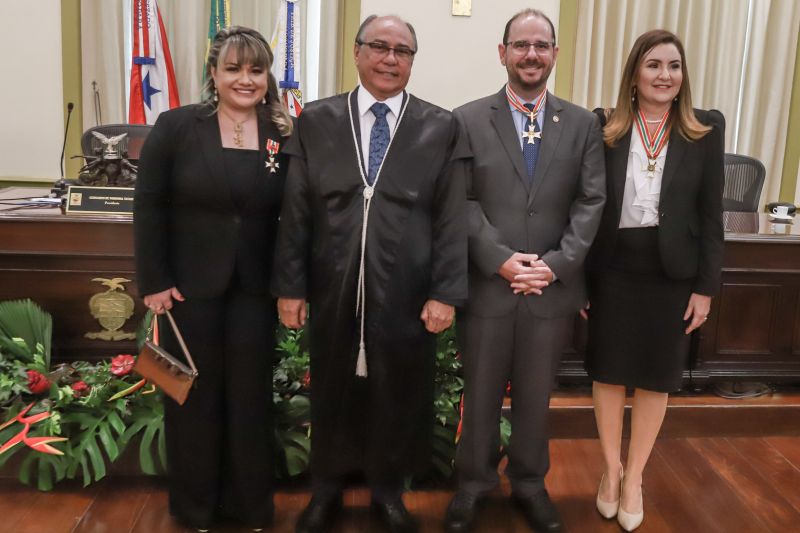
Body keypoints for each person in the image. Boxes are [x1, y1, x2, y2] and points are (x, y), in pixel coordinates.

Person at [272, 14, 468, 533]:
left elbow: (452, 217)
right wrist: (289, 286)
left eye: (402, 51)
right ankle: (326, 490)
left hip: (407, 286)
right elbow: (295, 210)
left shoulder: (438, 126)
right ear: (357, 53)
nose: (390, 59)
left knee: (397, 389)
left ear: (411, 62)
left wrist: (445, 291)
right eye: (379, 47)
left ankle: (387, 491)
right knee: (332, 386)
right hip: (331, 282)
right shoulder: (317, 120)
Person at [444, 9, 606, 533]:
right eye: (521, 45)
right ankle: (473, 485)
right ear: (503, 52)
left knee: (537, 396)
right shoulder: (466, 119)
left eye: (541, 45)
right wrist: (501, 258)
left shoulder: (583, 124)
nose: (531, 54)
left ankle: (531, 484)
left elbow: (591, 202)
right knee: (482, 390)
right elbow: (460, 201)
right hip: (490, 283)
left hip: (551, 290)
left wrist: (555, 267)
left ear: (555, 54)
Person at [134, 26, 293, 531]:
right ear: (213, 73)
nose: (245, 79)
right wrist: (154, 280)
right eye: (233, 68)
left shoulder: (284, 132)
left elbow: (295, 215)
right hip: (187, 289)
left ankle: (249, 507)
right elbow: (149, 205)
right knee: (193, 399)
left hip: (254, 290)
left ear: (268, 76)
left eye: (256, 69)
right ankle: (195, 507)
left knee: (249, 400)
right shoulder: (177, 126)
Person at [584, 30, 724, 531]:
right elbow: (585, 207)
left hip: (672, 275)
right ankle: (610, 469)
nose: (665, 75)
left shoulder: (705, 128)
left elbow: (711, 215)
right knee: (608, 372)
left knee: (656, 377)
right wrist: (579, 280)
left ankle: (636, 475)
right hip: (614, 268)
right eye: (654, 65)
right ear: (634, 74)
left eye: (674, 66)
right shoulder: (604, 127)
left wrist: (706, 288)